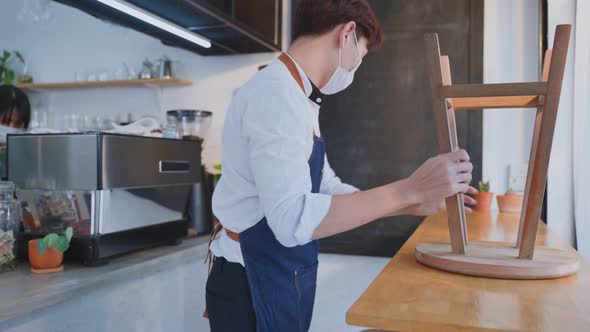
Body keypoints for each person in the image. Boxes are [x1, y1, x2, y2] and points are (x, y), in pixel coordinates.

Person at [206, 1, 478, 331]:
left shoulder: (299, 97)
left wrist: (412, 202)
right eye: (360, 57)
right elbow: (291, 219)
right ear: (347, 32)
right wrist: (409, 189)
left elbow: (325, 186)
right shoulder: (276, 94)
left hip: (279, 271)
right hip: (251, 278)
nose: (355, 70)